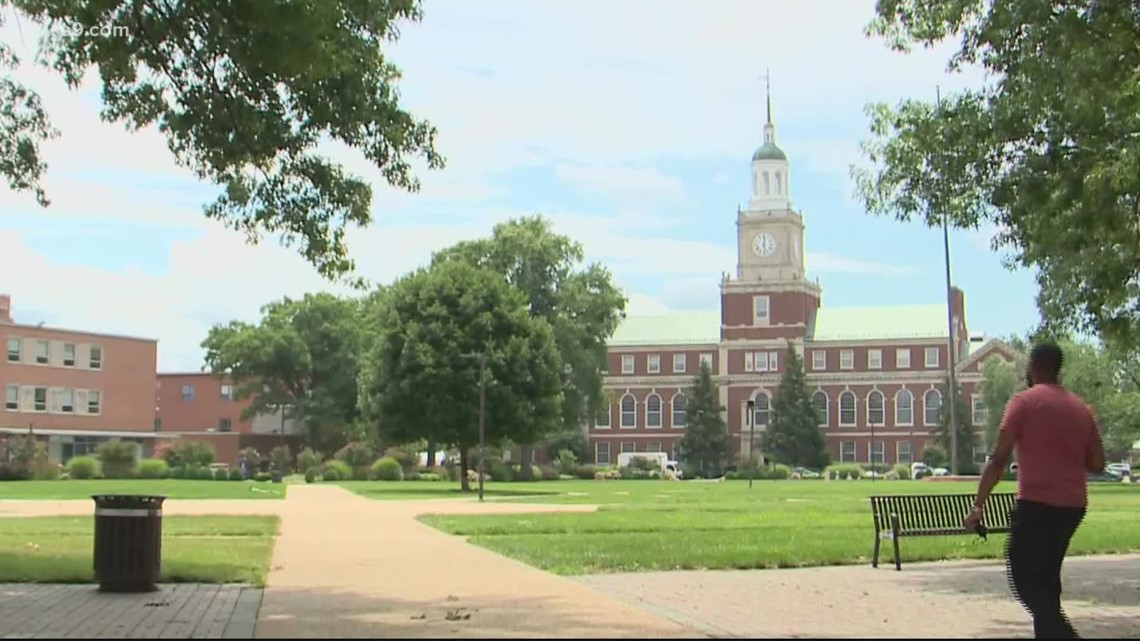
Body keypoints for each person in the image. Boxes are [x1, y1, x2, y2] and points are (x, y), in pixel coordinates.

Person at [964, 341, 1105, 639]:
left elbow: (998, 458)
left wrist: (978, 506)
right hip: (1072, 507)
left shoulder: (1023, 402)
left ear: (1033, 366)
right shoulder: (1082, 409)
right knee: (1046, 581)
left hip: (1036, 504)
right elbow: (1097, 462)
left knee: (1023, 579)